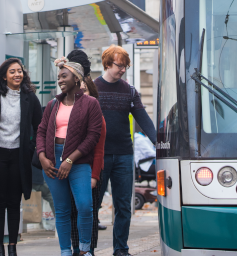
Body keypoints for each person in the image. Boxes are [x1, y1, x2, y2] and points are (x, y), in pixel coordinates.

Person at [0, 58, 43, 256]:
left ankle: (12, 247)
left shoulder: (30, 97)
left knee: (14, 202)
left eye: (20, 71)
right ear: (4, 75)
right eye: (12, 71)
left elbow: (40, 127)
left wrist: (30, 148)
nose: (17, 75)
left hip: (19, 156)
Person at [37, 53, 103, 256]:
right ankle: (65, 251)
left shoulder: (91, 103)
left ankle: (84, 249)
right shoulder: (52, 105)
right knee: (62, 209)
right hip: (52, 160)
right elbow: (40, 131)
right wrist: (42, 157)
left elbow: (93, 137)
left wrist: (69, 159)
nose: (60, 80)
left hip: (79, 161)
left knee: (84, 206)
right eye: (59, 77)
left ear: (76, 78)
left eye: (63, 76)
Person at [94, 45, 156, 256]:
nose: (123, 70)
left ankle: (121, 249)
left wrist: (159, 142)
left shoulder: (129, 91)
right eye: (119, 65)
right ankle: (88, 248)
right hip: (98, 156)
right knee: (92, 205)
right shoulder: (93, 89)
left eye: (125, 66)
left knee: (123, 206)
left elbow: (144, 120)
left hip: (123, 155)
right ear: (107, 63)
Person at [70, 74, 106, 256]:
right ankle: (76, 248)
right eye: (79, 90)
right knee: (72, 212)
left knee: (88, 212)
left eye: (85, 90)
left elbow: (99, 151)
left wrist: (94, 176)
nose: (81, 93)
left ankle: (89, 249)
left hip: (90, 172)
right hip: (70, 171)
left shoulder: (97, 115)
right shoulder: (66, 112)